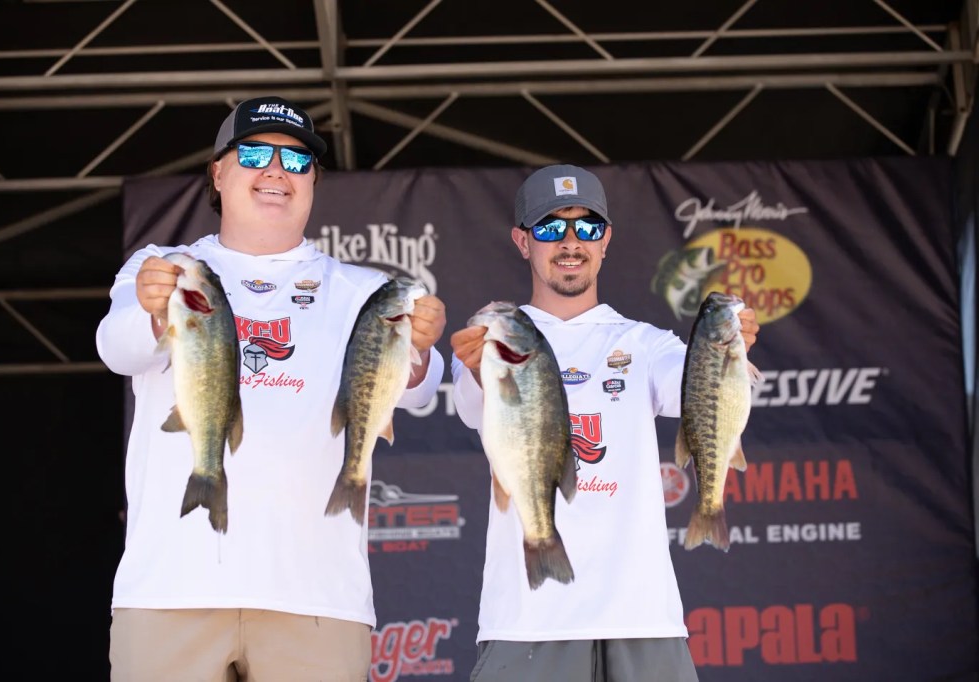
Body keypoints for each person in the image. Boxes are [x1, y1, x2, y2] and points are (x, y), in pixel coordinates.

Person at [96, 95, 447, 682]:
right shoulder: (163, 267)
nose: (277, 171)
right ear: (218, 172)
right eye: (256, 154)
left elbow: (419, 388)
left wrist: (421, 347)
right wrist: (156, 312)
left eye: (298, 160)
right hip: (170, 588)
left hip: (319, 598)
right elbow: (116, 348)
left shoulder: (362, 289)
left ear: (313, 180)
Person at [449, 164, 759, 682]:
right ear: (522, 242)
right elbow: (468, 405)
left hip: (643, 617)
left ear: (606, 240)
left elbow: (709, 394)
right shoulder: (493, 339)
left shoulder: (647, 344)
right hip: (527, 618)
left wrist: (730, 348)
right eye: (551, 227)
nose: (571, 242)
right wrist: (481, 365)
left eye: (587, 227)